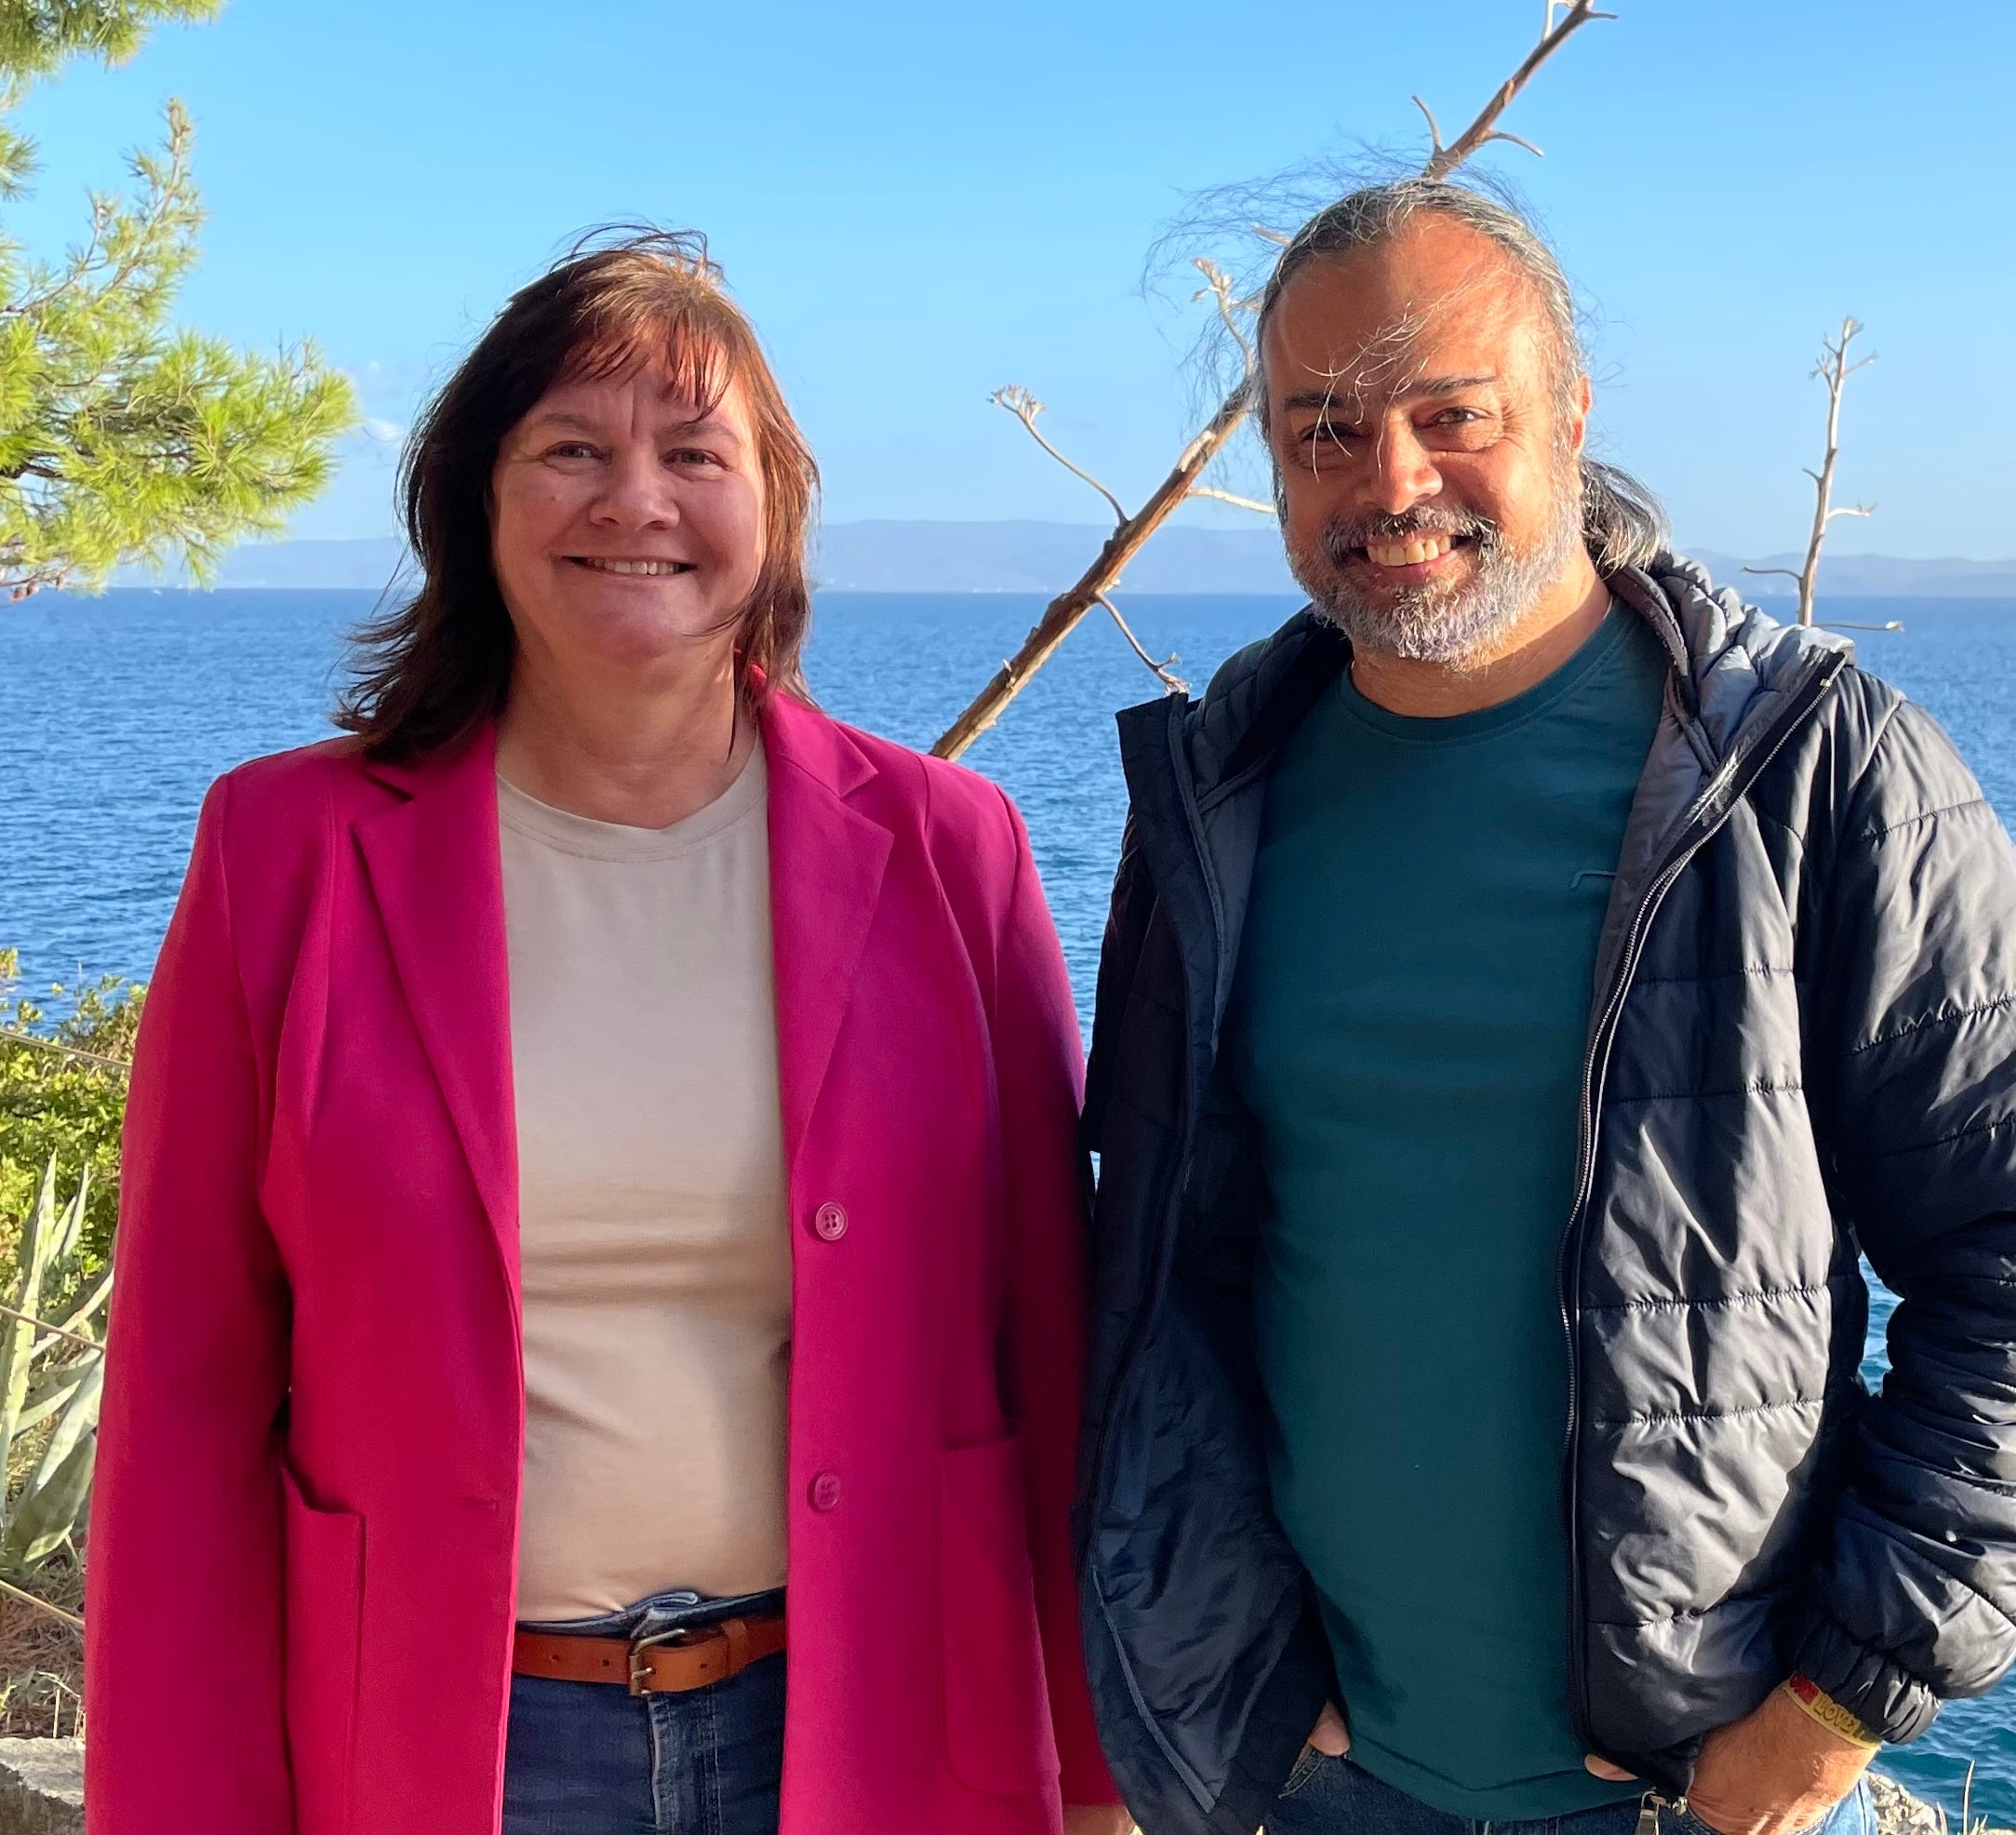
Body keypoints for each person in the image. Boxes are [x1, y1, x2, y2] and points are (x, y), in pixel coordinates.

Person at [87, 232, 1127, 1835]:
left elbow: (1050, 1340)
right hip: (442, 1744)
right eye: (570, 449)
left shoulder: (949, 847)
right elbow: (187, 1395)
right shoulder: (282, 855)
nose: (635, 501)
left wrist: (1096, 1764)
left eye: (695, 455)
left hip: (880, 1719)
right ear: (474, 501)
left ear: (772, 509)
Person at [1075, 180, 2016, 1835]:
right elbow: (1171, 1280)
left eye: (1452, 414)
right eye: (1324, 429)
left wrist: (1834, 1711)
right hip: (1317, 1775)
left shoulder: (1809, 771)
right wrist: (1214, 1682)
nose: (1391, 482)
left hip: (1684, 1789)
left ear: (1569, 415)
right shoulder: (1220, 795)